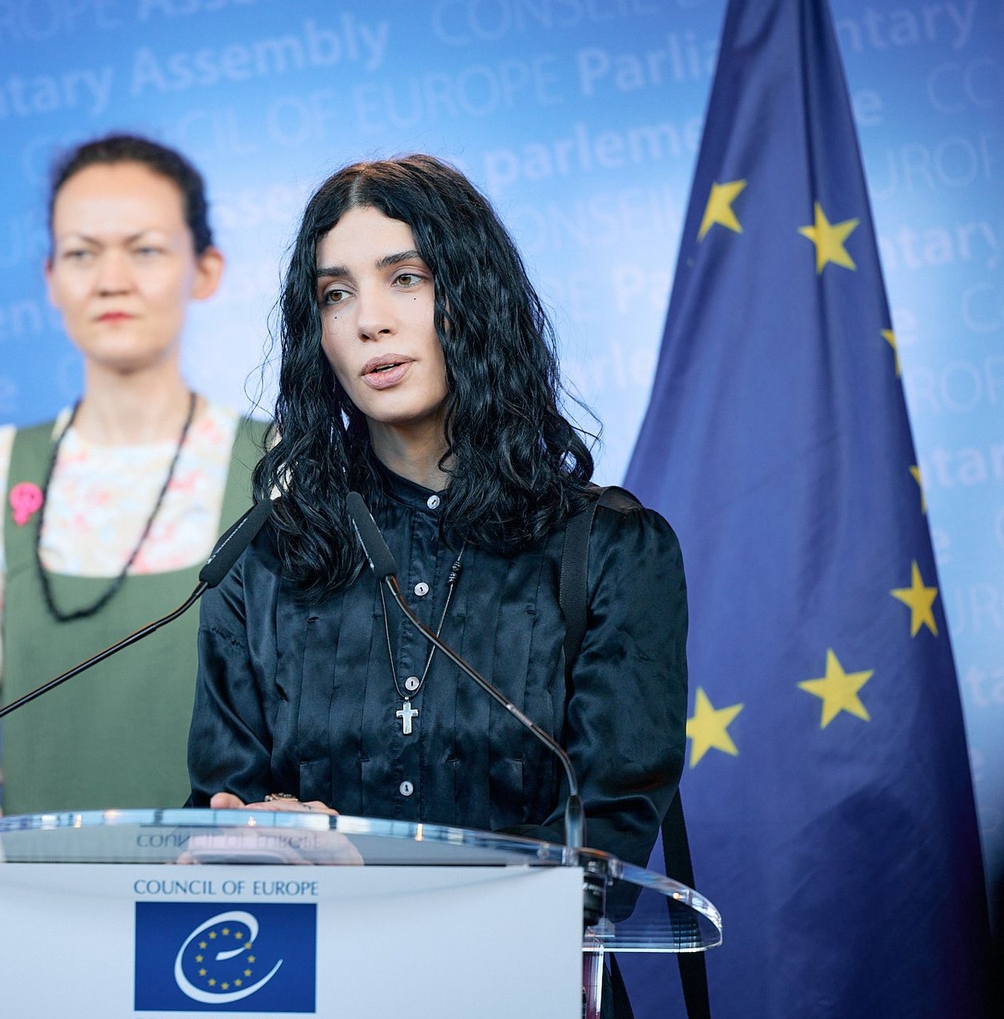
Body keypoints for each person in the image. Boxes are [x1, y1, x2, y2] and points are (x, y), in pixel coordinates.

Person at [188, 155, 687, 870]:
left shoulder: (611, 551)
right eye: (335, 294)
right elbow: (220, 820)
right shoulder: (262, 561)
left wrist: (371, 874)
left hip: (519, 979)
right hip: (318, 975)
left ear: (476, 296)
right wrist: (246, 838)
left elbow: (605, 848)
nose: (368, 321)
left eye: (406, 279)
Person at [0, 134, 265, 822]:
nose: (110, 279)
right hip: (37, 904)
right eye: (81, 253)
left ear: (207, 268)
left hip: (231, 903)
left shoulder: (281, 467)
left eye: (146, 249)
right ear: (50, 278)